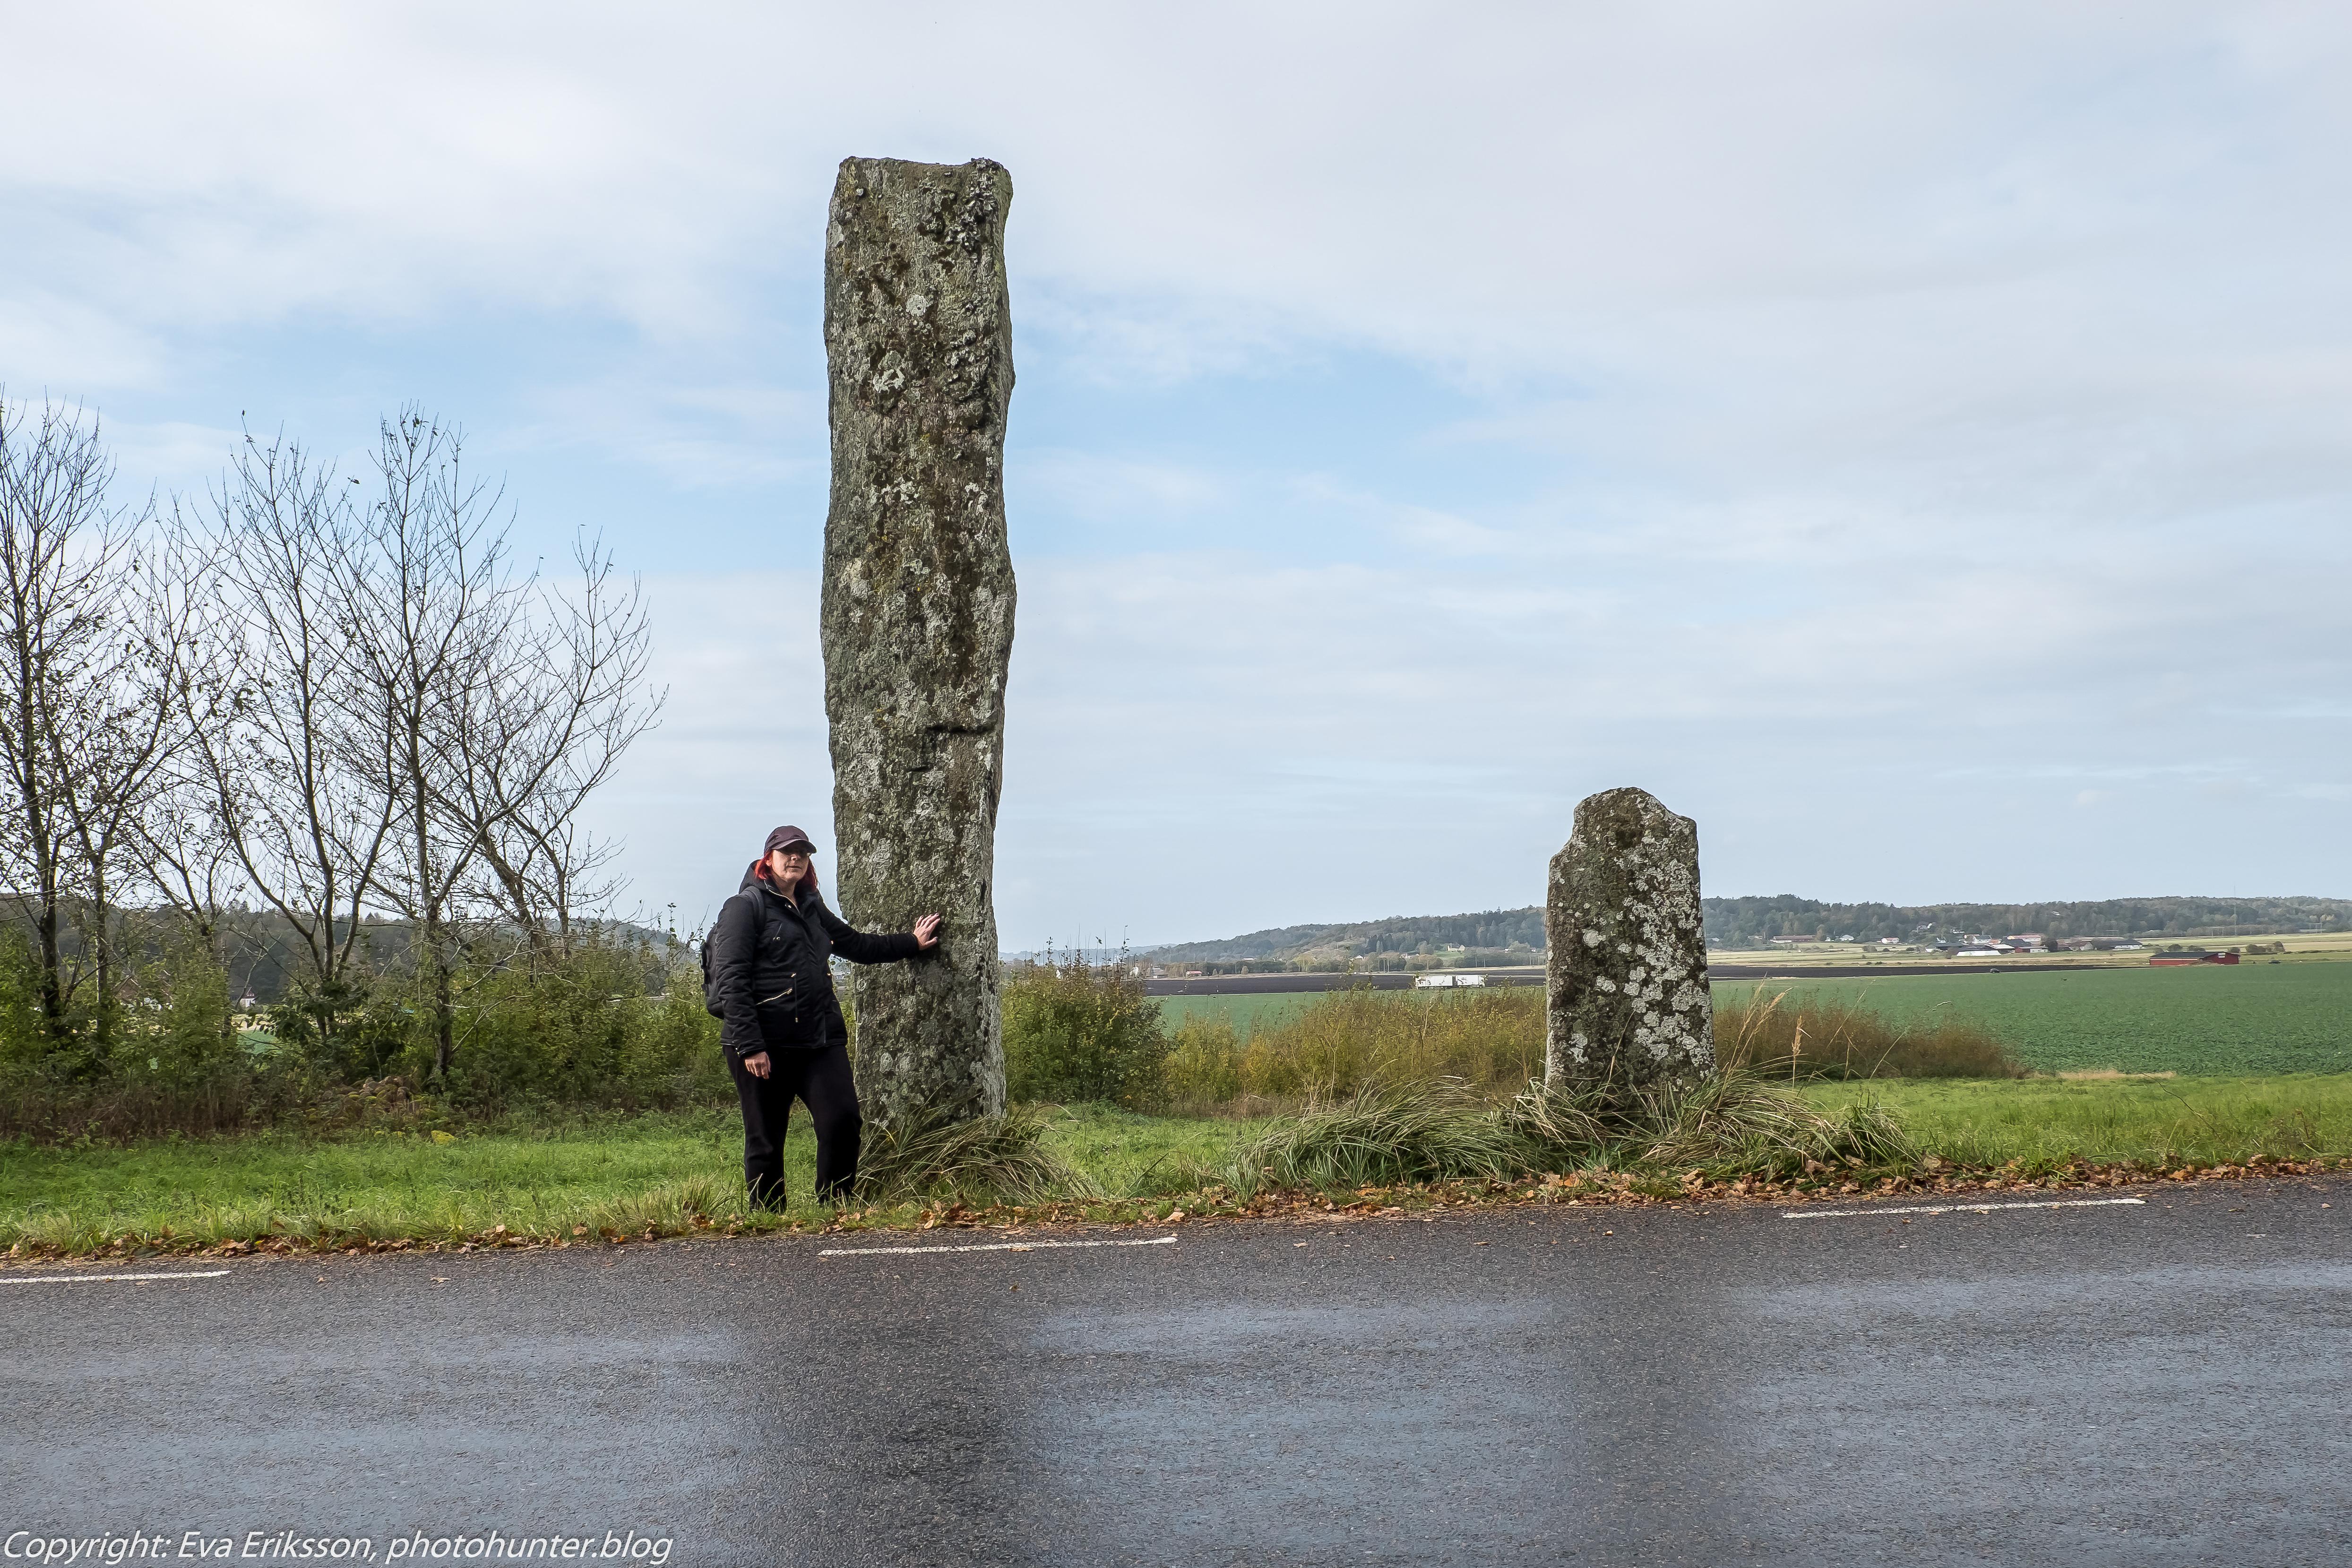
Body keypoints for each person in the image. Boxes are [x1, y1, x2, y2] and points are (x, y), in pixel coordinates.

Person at [708, 825, 941, 1209]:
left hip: (818, 1039)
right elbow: (732, 980)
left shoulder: (811, 905)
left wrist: (911, 944)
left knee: (842, 1121)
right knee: (766, 1138)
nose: (795, 858)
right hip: (761, 1043)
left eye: (802, 852)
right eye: (786, 852)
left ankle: (836, 1205)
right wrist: (751, 1045)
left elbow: (857, 945)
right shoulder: (744, 907)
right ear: (769, 859)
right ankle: (767, 1218)